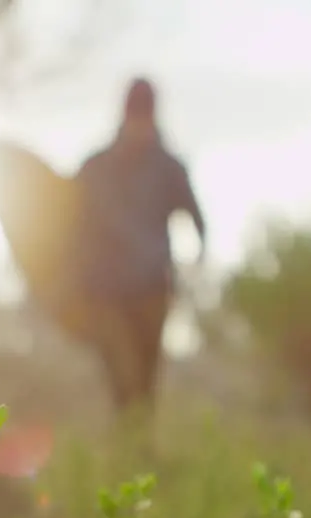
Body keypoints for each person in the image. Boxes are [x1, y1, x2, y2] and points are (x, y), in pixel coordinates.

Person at [74, 77, 207, 416]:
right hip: (106, 293)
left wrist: (194, 271)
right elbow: (66, 224)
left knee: (146, 385)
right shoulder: (95, 168)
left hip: (152, 290)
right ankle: (129, 451)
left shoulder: (168, 168)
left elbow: (198, 222)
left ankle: (139, 453)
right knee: (123, 381)